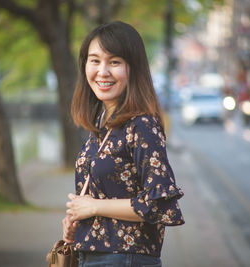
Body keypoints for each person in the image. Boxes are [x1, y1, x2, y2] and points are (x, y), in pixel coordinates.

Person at [63, 21, 185, 267]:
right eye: (95, 60)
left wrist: (94, 207)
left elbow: (159, 203)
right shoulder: (102, 124)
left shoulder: (142, 125)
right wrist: (78, 221)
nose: (103, 71)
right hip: (93, 255)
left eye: (114, 62)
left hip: (125, 259)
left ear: (133, 69)